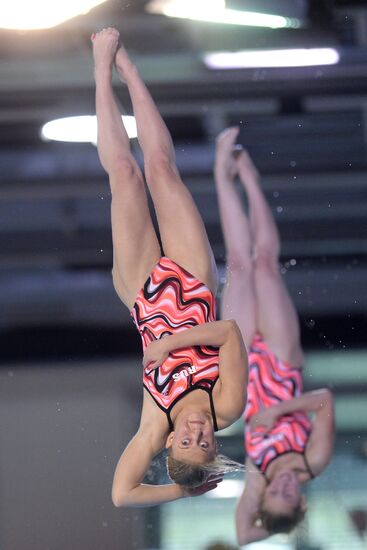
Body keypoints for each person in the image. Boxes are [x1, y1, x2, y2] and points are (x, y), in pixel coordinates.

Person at [91, 29, 248, 508]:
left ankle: (100, 70)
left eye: (187, 443)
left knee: (124, 174)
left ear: (171, 443)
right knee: (159, 167)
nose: (197, 433)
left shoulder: (154, 423)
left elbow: (121, 495)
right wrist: (174, 342)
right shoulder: (226, 406)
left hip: (142, 292)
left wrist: (182, 490)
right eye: (206, 444)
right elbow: (229, 334)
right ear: (217, 444)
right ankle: (131, 72)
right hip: (193, 283)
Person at [214, 128, 335, 543]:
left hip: (247, 366)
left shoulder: (256, 476)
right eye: (291, 495)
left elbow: (244, 536)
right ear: (302, 501)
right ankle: (249, 179)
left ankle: (220, 174)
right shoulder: (313, 459)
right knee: (264, 263)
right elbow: (324, 400)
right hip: (283, 363)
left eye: (276, 495)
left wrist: (272, 527)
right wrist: (277, 413)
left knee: (237, 264)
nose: (283, 486)